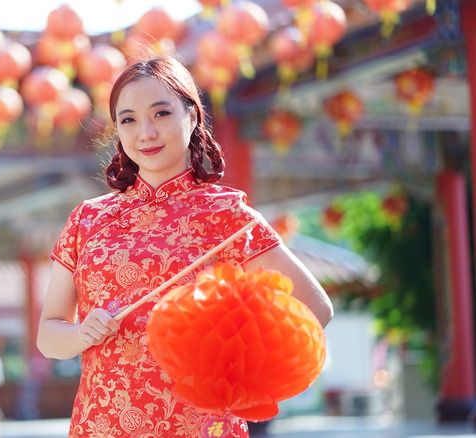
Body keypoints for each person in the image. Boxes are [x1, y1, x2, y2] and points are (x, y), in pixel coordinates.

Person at [37, 55, 334, 438]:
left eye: (160, 114)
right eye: (128, 119)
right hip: (103, 423)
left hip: (201, 425)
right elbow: (48, 336)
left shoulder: (228, 215)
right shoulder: (87, 219)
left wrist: (236, 358)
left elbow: (315, 308)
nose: (145, 133)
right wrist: (81, 334)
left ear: (192, 117)